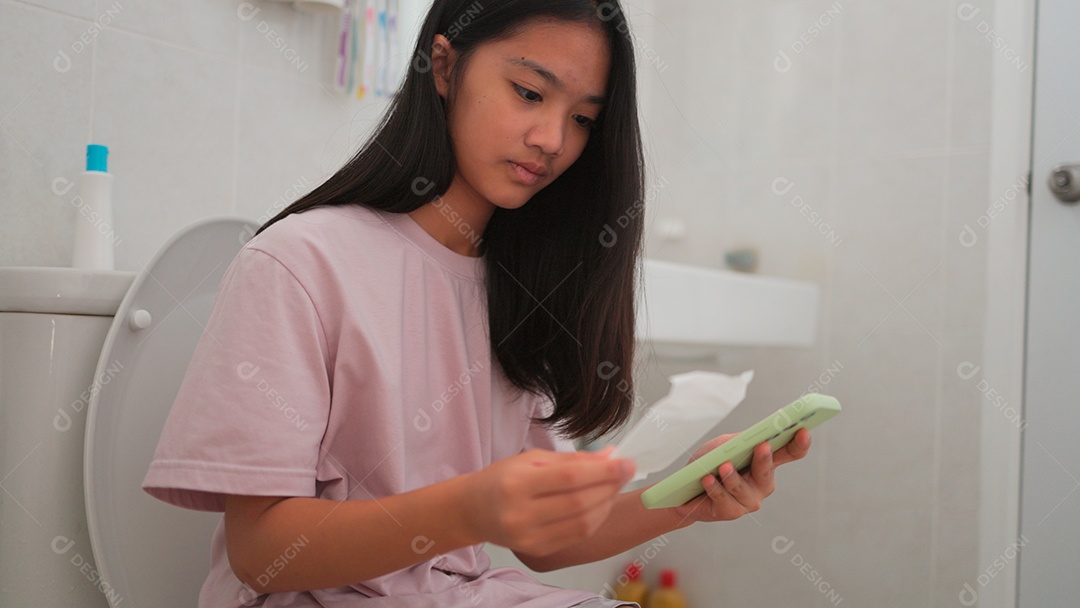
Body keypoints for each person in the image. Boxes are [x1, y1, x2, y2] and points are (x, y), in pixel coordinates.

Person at [141, 1, 812, 606]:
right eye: (528, 92)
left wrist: (689, 497)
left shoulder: (522, 287)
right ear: (443, 65)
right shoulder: (300, 261)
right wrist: (468, 510)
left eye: (582, 119)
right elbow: (261, 550)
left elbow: (544, 543)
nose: (553, 139)